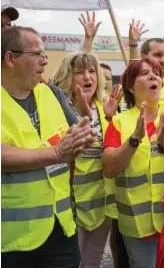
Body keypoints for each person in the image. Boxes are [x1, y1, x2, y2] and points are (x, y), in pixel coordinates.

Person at [1, 26, 97, 268]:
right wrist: (56, 153)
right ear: (10, 58)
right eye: (37, 55)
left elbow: (74, 135)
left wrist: (84, 133)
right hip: (11, 240)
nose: (44, 62)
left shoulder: (51, 93)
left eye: (45, 55)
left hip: (61, 229)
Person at [102, 58, 164, 268]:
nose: (153, 76)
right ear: (130, 86)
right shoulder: (120, 122)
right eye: (144, 73)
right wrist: (134, 139)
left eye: (156, 73)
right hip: (137, 224)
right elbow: (110, 168)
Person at [52, 51, 122, 268]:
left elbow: (114, 150)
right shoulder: (56, 107)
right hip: (71, 201)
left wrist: (110, 118)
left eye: (92, 71)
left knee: (93, 261)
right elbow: (57, 150)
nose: (88, 77)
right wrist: (84, 117)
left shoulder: (106, 106)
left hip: (101, 200)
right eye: (79, 72)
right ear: (67, 76)